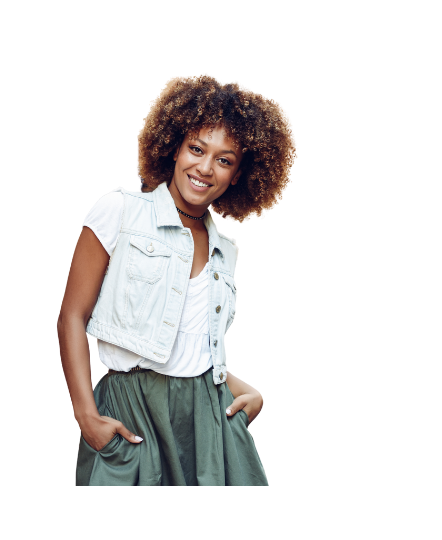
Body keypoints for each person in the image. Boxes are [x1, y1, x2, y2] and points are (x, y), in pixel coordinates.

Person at [58, 74, 297, 495]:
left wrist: (250, 391)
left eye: (224, 160)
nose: (205, 168)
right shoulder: (120, 210)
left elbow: (198, 351)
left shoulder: (226, 251)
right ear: (174, 147)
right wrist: (86, 415)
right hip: (132, 409)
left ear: (238, 174)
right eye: (196, 149)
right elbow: (71, 318)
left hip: (207, 415)